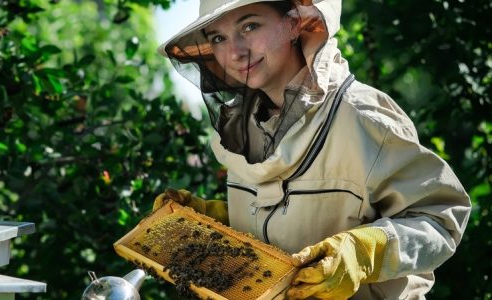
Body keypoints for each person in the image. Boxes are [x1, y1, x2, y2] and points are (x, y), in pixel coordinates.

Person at [151, 0, 471, 299]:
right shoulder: (243, 130)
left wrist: (363, 252)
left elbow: (442, 219)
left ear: (296, 23)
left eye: (250, 27)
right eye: (218, 38)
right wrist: (215, 222)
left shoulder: (361, 116)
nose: (234, 52)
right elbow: (289, 222)